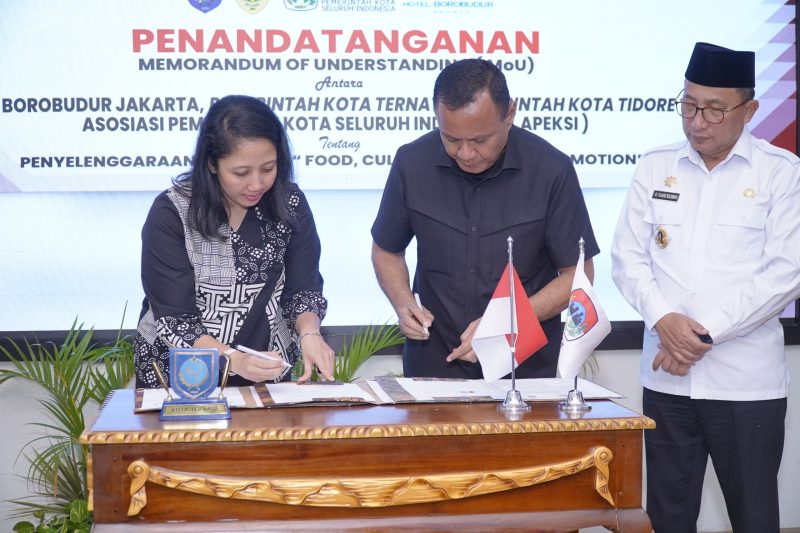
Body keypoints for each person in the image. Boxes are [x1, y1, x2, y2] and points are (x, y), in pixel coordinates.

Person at [611, 42, 800, 532]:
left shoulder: (781, 173)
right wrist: (664, 320)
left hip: (745, 386)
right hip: (667, 383)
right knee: (668, 519)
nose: (698, 121)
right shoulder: (655, 166)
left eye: (715, 109)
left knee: (754, 518)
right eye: (689, 105)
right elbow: (627, 259)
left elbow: (784, 275)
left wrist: (699, 335)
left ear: (749, 110)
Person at [371, 58, 599, 379]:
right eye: (451, 139)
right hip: (435, 367)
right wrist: (403, 300)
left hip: (523, 372)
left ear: (509, 114)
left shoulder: (551, 170)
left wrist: (506, 321)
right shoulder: (412, 163)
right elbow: (386, 250)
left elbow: (578, 275)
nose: (465, 153)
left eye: (479, 140)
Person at [134, 95, 335, 388]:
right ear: (212, 164)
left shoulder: (289, 203)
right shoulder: (172, 212)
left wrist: (310, 333)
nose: (256, 184)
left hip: (267, 366)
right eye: (241, 173)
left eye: (268, 168)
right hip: (181, 373)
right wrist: (231, 358)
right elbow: (176, 319)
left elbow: (303, 290)